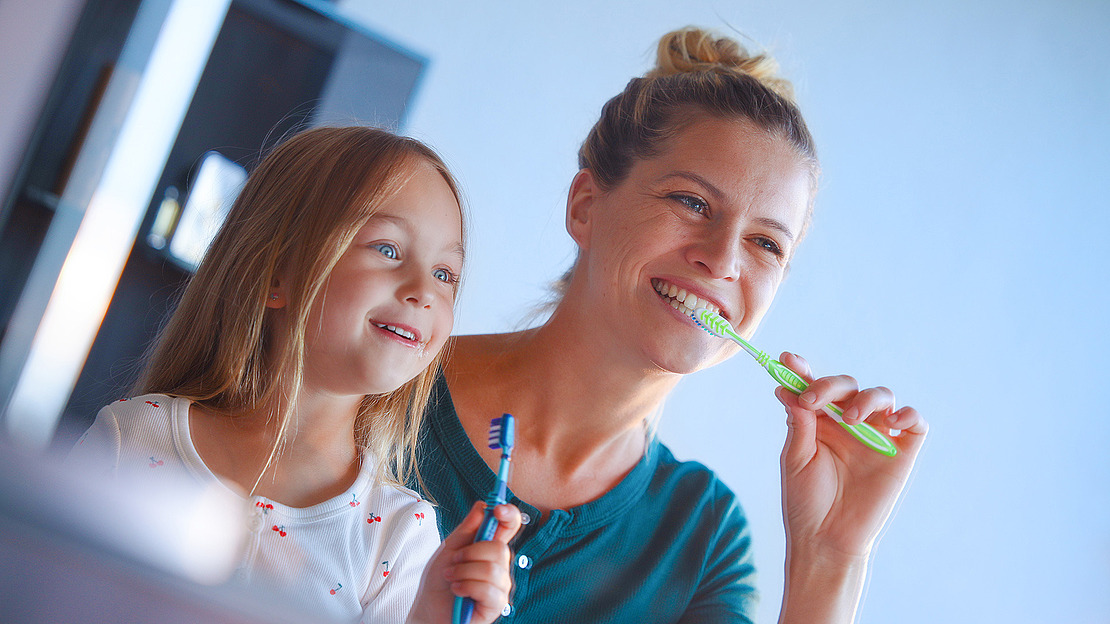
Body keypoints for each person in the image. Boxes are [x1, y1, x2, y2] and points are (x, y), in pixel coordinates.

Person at [412, 27, 928, 623]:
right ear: (585, 206)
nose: (724, 259)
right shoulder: (379, 385)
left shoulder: (703, 538)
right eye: (692, 203)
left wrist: (831, 558)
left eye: (766, 242)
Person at [67, 126, 521, 624]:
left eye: (445, 274)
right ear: (277, 275)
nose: (424, 291)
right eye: (388, 250)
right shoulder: (132, 434)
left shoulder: (399, 533)